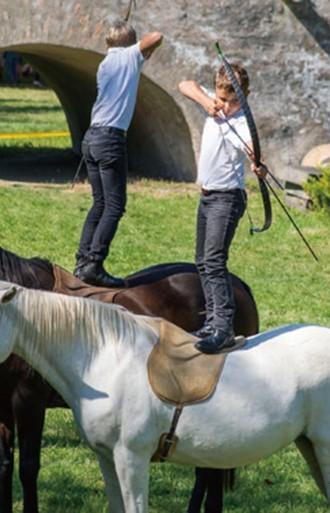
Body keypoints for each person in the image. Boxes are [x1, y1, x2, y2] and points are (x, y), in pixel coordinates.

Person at [178, 63, 266, 354]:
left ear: (245, 97)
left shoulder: (241, 122)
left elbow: (252, 147)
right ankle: (212, 321)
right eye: (223, 99)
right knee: (202, 260)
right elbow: (185, 84)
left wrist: (257, 162)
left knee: (214, 262)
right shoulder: (213, 102)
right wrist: (207, 102)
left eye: (234, 101)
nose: (227, 106)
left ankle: (224, 328)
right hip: (208, 196)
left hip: (227, 198)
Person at [74, 20, 163, 287]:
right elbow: (157, 36)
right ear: (128, 43)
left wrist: (136, 49)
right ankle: (94, 263)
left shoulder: (107, 63)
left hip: (92, 138)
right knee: (114, 206)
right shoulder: (127, 57)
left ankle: (82, 261)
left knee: (99, 204)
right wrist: (137, 46)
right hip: (111, 139)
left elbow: (146, 49)